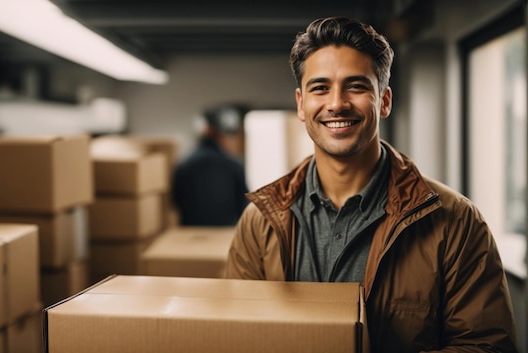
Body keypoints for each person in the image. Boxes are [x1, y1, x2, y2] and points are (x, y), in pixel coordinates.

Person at [224, 16, 518, 353]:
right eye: (320, 87)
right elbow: (237, 335)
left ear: (385, 100)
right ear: (302, 105)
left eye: (356, 86)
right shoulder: (259, 221)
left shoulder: (456, 221)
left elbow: (487, 346)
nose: (337, 103)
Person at [172, 105, 249, 226]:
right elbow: (243, 205)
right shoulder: (234, 166)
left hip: (190, 235)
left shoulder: (186, 164)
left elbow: (176, 200)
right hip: (226, 234)